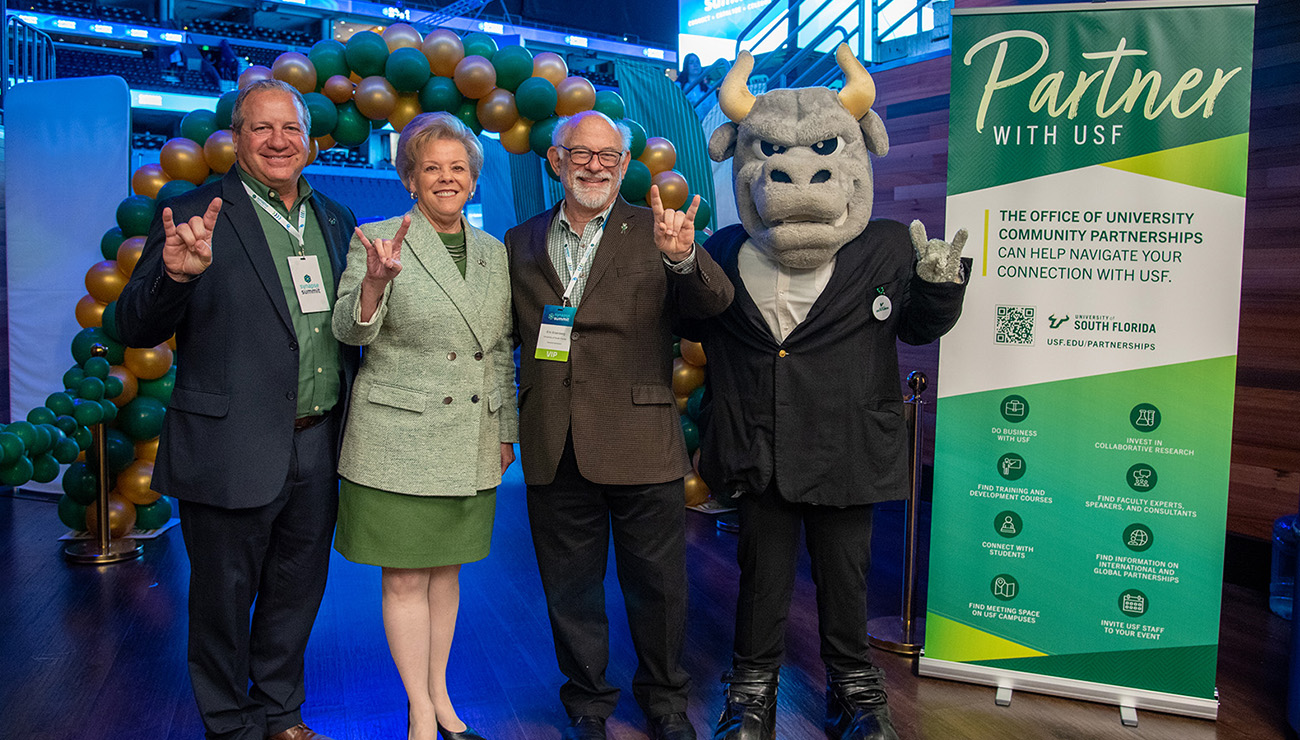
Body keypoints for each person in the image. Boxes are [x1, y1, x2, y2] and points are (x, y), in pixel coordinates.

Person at [690, 46, 969, 740]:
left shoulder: (884, 247)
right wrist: (674, 264)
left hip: (845, 446)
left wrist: (939, 287)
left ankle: (856, 694)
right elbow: (689, 317)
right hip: (762, 445)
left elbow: (921, 326)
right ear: (740, 157)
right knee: (761, 576)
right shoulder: (723, 249)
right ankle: (751, 695)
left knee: (846, 578)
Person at [116, 79, 358, 740]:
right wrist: (176, 274)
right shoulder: (193, 209)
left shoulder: (332, 217)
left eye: (290, 129)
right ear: (237, 137)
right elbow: (132, 327)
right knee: (223, 601)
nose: (279, 141)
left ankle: (281, 714)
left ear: (309, 140)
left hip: (317, 440)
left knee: (296, 592)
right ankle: (230, 727)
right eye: (262, 128)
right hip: (229, 446)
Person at [505, 111, 734, 740]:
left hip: (640, 439)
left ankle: (665, 702)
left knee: (658, 588)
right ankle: (587, 703)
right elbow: (505, 342)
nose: (596, 165)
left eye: (610, 155)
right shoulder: (519, 241)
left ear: (625, 163)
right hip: (555, 440)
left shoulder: (654, 229)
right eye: (582, 152)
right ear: (556, 160)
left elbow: (713, 308)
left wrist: (684, 257)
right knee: (569, 589)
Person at [331, 112, 517, 740]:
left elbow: (498, 350)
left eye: (457, 168)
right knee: (407, 574)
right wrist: (375, 286)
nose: (446, 178)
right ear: (410, 179)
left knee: (447, 573)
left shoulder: (495, 252)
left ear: (473, 180)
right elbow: (348, 332)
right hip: (397, 440)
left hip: (469, 438)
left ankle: (441, 694)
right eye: (431, 168)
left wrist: (505, 430)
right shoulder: (377, 238)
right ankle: (417, 707)